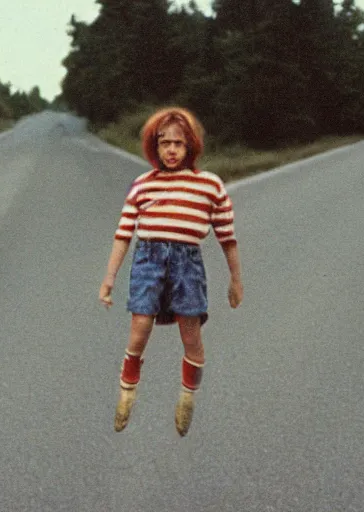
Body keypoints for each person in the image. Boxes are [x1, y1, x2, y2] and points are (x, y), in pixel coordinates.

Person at [99, 107, 244, 437]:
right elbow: (123, 235)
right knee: (139, 326)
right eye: (164, 143)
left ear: (191, 145)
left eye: (179, 143)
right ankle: (126, 394)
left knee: (191, 332)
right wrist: (109, 279)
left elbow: (228, 238)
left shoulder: (209, 186)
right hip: (148, 259)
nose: (172, 150)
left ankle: (186, 399)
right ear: (155, 146)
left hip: (187, 264)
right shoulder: (142, 185)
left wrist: (236, 280)